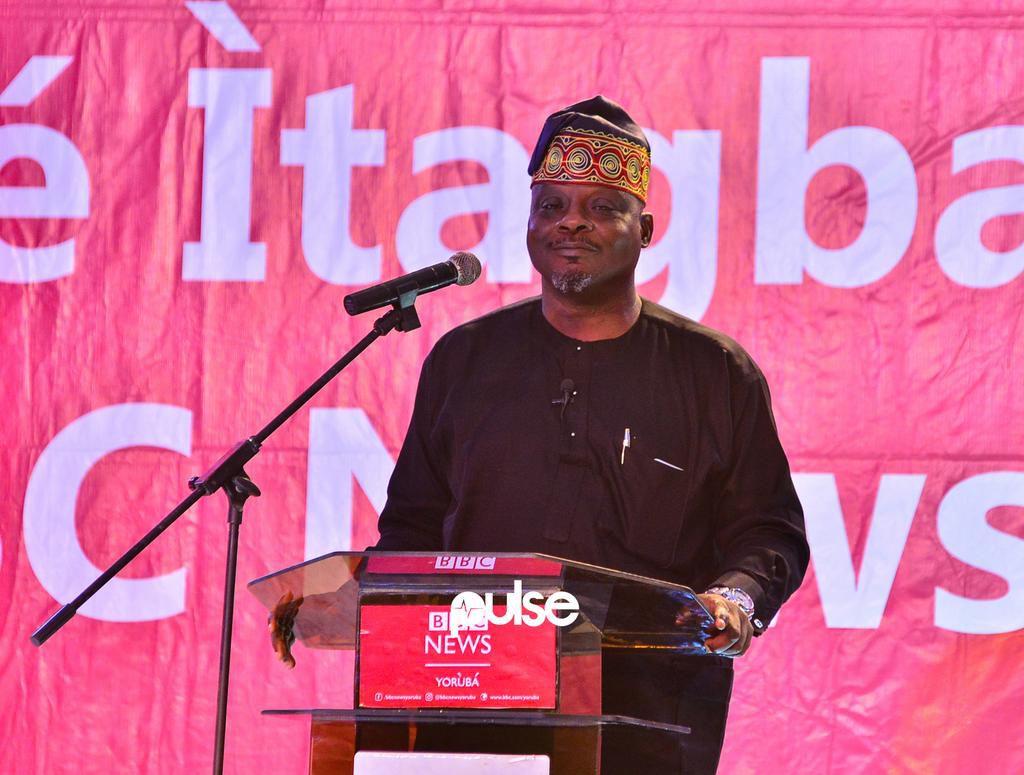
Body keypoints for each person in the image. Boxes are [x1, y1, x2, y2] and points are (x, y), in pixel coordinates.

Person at [374, 96, 809, 773]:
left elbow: (768, 532)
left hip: (648, 720)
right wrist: (375, 604)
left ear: (647, 228)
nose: (570, 221)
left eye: (602, 206)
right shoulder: (464, 360)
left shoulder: (716, 374)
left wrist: (735, 596)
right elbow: (410, 530)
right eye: (551, 205)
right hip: (473, 711)